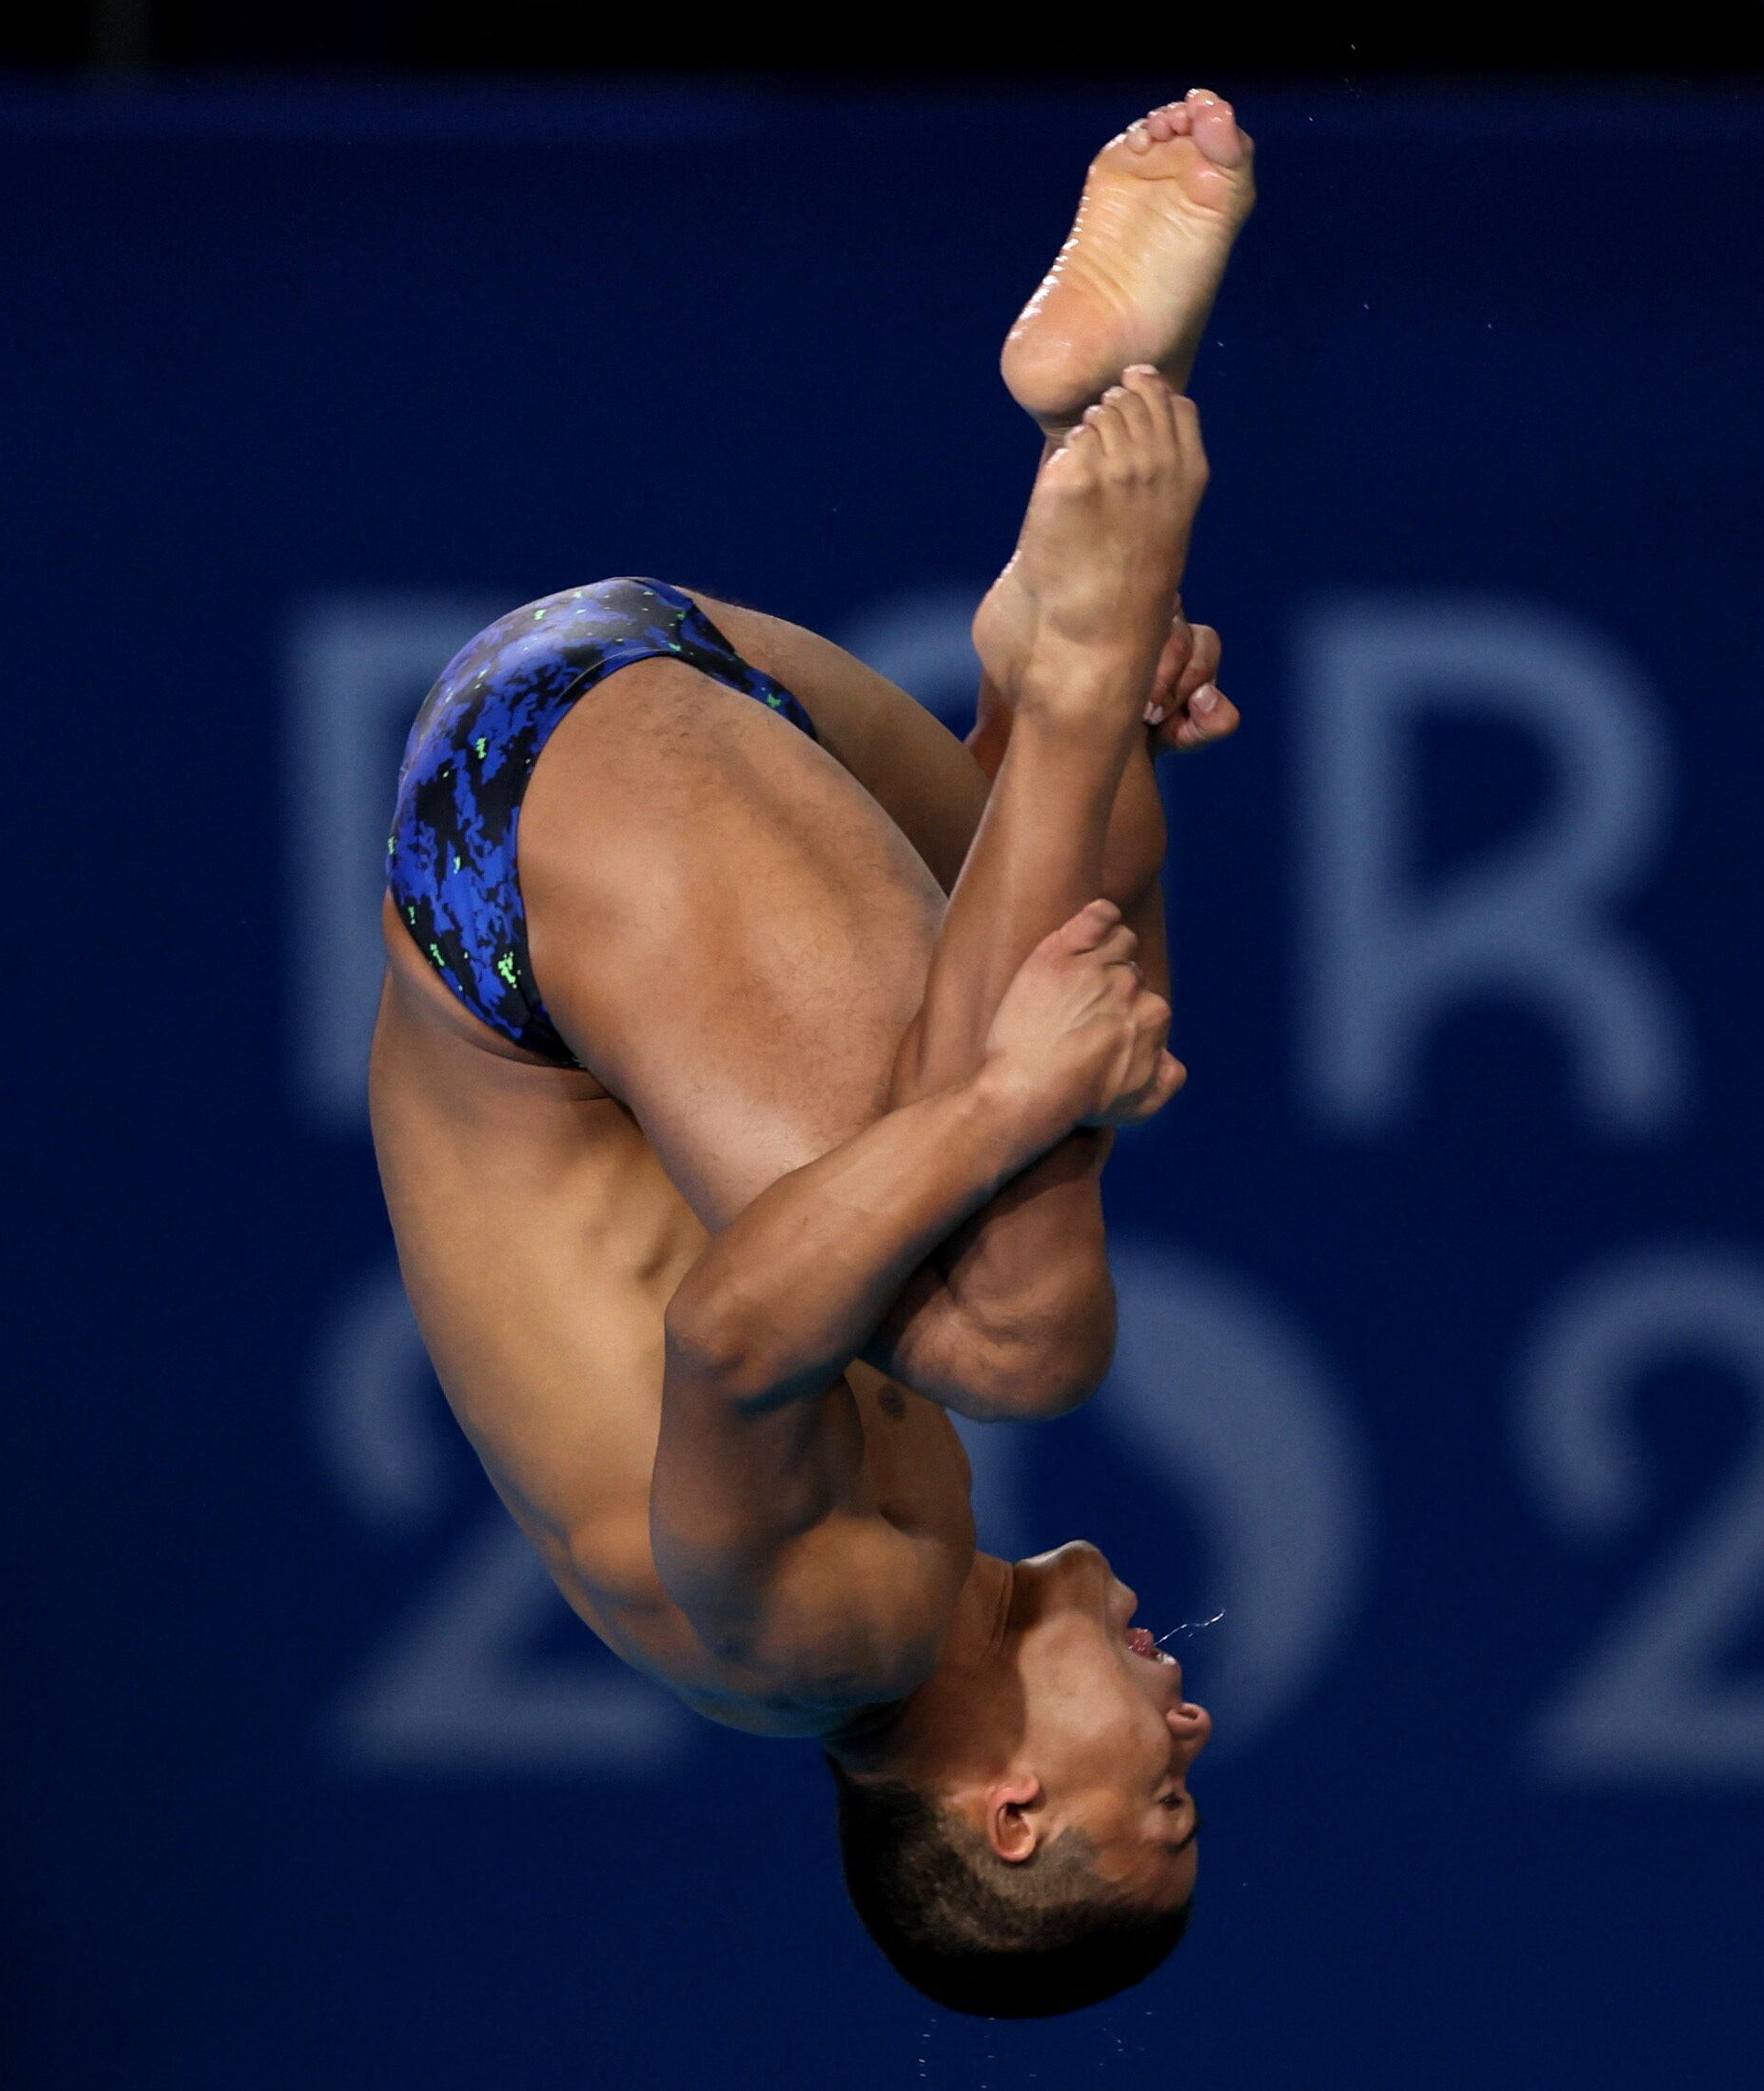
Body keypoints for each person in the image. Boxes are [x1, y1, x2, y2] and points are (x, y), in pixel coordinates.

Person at [365, 92, 1258, 2018]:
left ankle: (1082, 651)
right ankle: (1057, 631)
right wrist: (1050, 920)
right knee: (1043, 1111)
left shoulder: (813, 1648)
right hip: (651, 729)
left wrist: (1026, 1092)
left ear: (1014, 1814)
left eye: (1165, 1792)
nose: (1189, 1719)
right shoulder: (916, 1555)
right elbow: (906, 1042)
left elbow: (732, 1335)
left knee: (1023, 1325)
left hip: (514, 852)